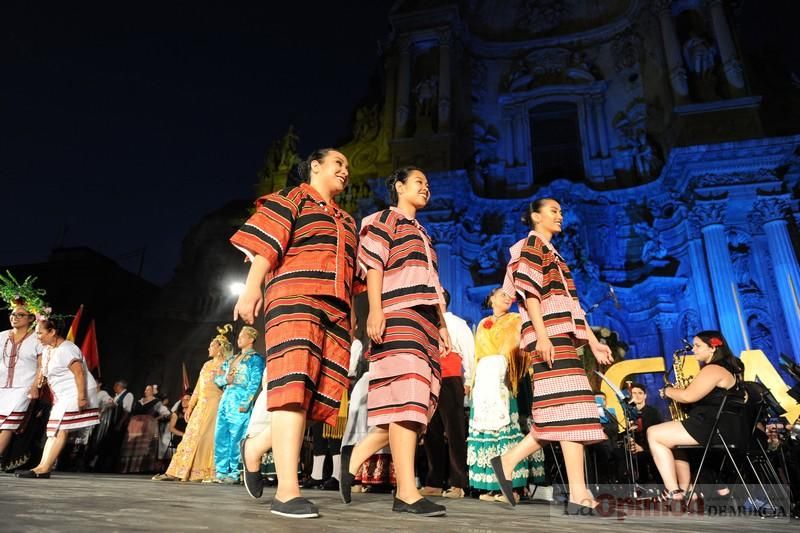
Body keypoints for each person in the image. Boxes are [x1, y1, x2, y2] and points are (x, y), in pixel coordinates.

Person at [231, 148, 358, 519]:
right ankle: (287, 491)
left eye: (348, 167)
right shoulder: (292, 198)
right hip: (295, 296)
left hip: (335, 312)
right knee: (293, 386)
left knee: (318, 400)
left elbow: (358, 274)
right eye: (339, 164)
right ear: (315, 166)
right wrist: (252, 287)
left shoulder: (347, 221)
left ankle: (255, 448)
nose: (345, 171)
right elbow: (265, 245)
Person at [490, 198, 616, 516]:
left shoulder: (555, 254)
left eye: (561, 211)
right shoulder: (532, 244)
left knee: (560, 413)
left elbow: (572, 305)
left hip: (563, 335)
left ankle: (510, 463)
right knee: (569, 412)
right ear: (535, 216)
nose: (559, 216)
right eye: (553, 211)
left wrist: (592, 341)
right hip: (548, 337)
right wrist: (543, 335)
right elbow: (530, 294)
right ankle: (577, 492)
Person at [340, 166, 452, 518]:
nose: (426, 188)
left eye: (428, 183)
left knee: (415, 402)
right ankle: (406, 492)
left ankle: (352, 460)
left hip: (424, 321)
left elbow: (432, 284)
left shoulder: (423, 232)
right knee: (407, 397)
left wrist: (442, 326)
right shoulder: (382, 219)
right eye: (419, 181)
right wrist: (375, 310)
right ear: (399, 187)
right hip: (397, 312)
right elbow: (374, 265)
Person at [647, 331, 747, 504]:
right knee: (672, 443)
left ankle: (673, 491)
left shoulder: (713, 369)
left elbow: (688, 396)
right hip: (722, 426)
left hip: (712, 427)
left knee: (653, 433)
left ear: (713, 348)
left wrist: (668, 391)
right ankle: (686, 489)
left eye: (698, 345)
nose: (694, 349)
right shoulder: (727, 369)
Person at [467, 287, 544, 503]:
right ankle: (490, 485)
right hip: (484, 380)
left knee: (506, 428)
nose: (507, 297)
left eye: (509, 295)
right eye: (502, 294)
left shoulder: (516, 319)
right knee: (486, 429)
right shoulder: (482, 323)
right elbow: (477, 356)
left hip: (507, 378)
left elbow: (521, 351)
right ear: (491, 299)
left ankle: (515, 487)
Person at [16, 315, 100, 478]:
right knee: (52, 430)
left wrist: (82, 397)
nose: (37, 336)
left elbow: (79, 374)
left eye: (40, 333)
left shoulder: (67, 349)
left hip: (76, 391)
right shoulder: (48, 349)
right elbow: (46, 369)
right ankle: (40, 466)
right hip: (63, 395)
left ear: (52, 332)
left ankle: (45, 468)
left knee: (60, 429)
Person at [153, 326, 230, 482]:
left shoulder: (227, 365)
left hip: (216, 405)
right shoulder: (206, 365)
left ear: (219, 347)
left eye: (211, 346)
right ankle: (176, 471)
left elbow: (230, 387)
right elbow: (198, 389)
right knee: (190, 436)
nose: (209, 348)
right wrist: (191, 406)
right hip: (201, 406)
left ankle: (204, 472)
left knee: (207, 438)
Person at [421, 288, 474, 499]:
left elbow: (469, 352)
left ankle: (458, 483)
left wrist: (468, 380)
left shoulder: (457, 323)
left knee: (454, 432)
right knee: (431, 432)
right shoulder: (426, 321)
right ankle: (434, 481)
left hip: (451, 379)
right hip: (430, 378)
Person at [213, 326, 264, 483]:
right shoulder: (230, 359)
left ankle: (235, 472)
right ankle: (221, 471)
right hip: (226, 397)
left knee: (237, 435)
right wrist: (224, 380)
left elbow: (255, 382)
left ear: (251, 339)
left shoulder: (256, 359)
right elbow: (217, 378)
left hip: (240, 397)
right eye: (239, 336)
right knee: (221, 435)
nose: (239, 339)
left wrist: (246, 401)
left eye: (243, 336)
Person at [0, 296, 43, 469]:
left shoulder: (37, 339)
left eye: (20, 315)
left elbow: (42, 366)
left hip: (23, 388)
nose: (14, 317)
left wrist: (35, 386)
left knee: (9, 424)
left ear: (31, 319)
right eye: (13, 314)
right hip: (1, 386)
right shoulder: (1, 336)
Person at [118, 384, 170, 473]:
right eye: (145, 390)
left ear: (152, 391)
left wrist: (155, 419)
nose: (146, 391)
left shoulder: (156, 402)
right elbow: (132, 412)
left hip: (147, 426)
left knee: (144, 447)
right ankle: (128, 468)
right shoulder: (139, 401)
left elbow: (166, 413)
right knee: (132, 446)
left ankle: (141, 468)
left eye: (148, 390)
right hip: (134, 426)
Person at [626, 382, 662, 483]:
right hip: (634, 450)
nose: (636, 396)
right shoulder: (627, 413)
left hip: (650, 449)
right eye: (633, 393)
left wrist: (643, 448)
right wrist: (630, 442)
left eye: (640, 393)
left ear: (645, 396)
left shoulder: (653, 412)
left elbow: (658, 433)